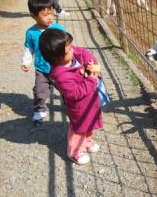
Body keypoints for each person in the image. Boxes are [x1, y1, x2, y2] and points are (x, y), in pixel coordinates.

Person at [39, 29, 107, 165]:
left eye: (71, 46)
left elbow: (82, 51)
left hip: (90, 102)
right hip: (79, 107)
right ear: (57, 57)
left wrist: (89, 62)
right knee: (79, 128)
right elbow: (74, 93)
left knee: (89, 124)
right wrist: (91, 80)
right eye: (68, 50)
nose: (73, 50)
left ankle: (87, 142)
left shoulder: (71, 56)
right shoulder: (61, 75)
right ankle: (75, 152)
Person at [22, 0, 66, 125]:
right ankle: (39, 110)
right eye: (45, 15)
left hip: (59, 67)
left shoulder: (59, 29)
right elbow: (29, 49)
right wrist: (26, 62)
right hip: (42, 69)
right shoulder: (31, 33)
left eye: (51, 13)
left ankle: (71, 105)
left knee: (66, 88)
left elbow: (67, 46)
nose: (50, 18)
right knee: (39, 91)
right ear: (34, 16)